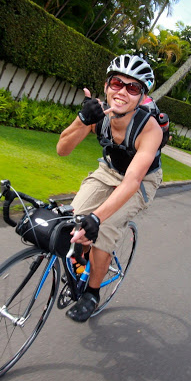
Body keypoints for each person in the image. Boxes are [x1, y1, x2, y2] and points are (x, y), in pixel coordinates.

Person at [56, 54, 163, 322]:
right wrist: (82, 119)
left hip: (140, 180)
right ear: (106, 85)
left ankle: (92, 294)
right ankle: (84, 256)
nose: (122, 92)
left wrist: (97, 218)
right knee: (71, 220)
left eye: (133, 87)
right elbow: (62, 149)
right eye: (117, 83)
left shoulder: (149, 128)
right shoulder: (98, 114)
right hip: (109, 170)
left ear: (141, 97)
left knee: (102, 230)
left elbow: (132, 182)